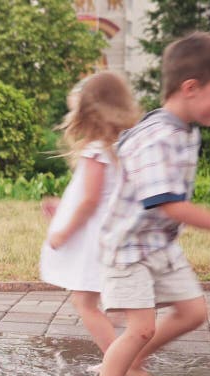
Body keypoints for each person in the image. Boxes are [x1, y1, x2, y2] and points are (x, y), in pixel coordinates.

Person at [86, 31, 210, 376]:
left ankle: (135, 360)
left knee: (193, 311)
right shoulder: (158, 136)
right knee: (141, 327)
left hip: (159, 244)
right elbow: (165, 202)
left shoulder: (185, 129)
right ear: (191, 87)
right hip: (129, 249)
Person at [40, 71, 141, 357]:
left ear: (89, 114)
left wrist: (63, 231)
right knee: (95, 297)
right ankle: (118, 349)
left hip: (94, 238)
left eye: (75, 111)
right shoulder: (119, 147)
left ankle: (118, 363)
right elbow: (105, 195)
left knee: (84, 304)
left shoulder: (96, 150)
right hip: (112, 231)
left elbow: (90, 201)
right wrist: (63, 206)